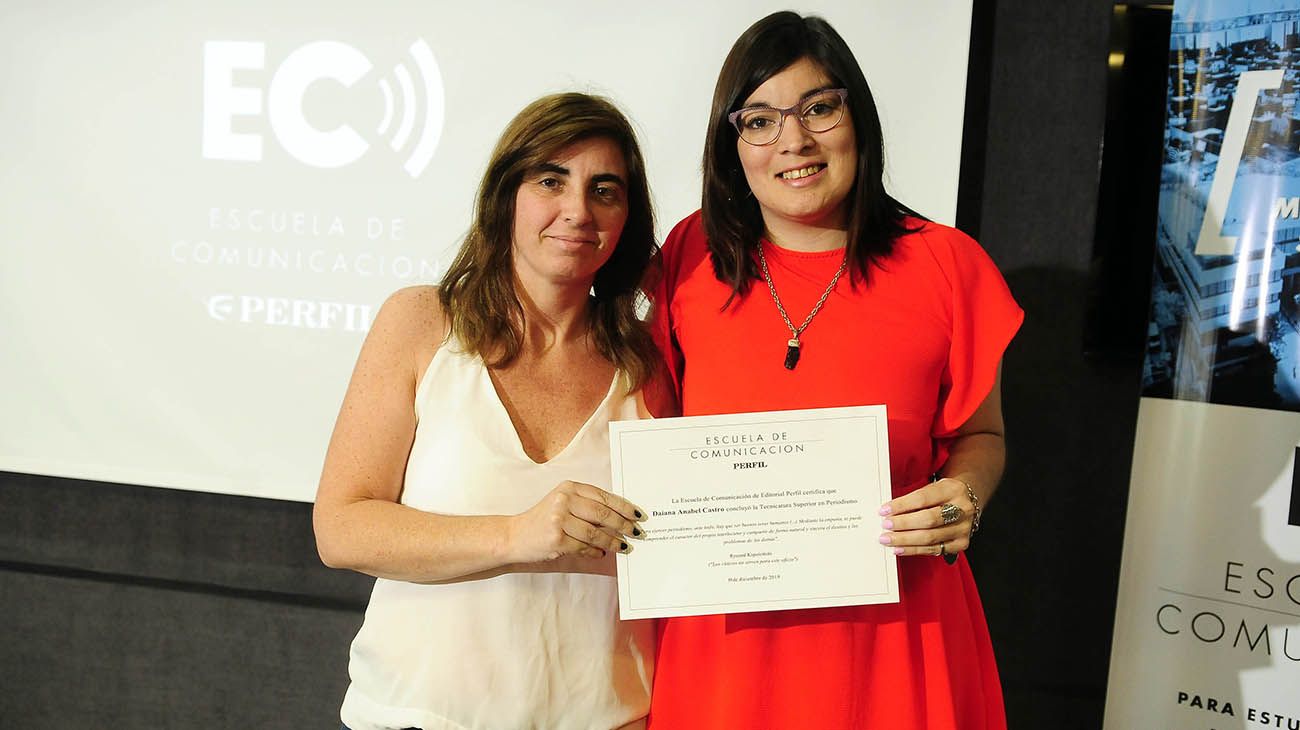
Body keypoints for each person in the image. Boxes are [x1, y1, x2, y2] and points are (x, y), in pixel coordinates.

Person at [645, 12, 1022, 729]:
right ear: (732, 146)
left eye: (819, 108)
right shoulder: (690, 256)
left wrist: (962, 500)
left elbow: (985, 436)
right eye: (759, 120)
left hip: (900, 637)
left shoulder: (946, 266)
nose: (794, 141)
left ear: (859, 118)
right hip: (727, 646)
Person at [313, 93, 661, 730]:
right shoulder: (421, 323)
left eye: (604, 190)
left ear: (627, 217)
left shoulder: (653, 362)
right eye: (550, 180)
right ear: (507, 196)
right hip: (420, 717)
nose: (577, 211)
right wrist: (517, 535)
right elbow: (341, 528)